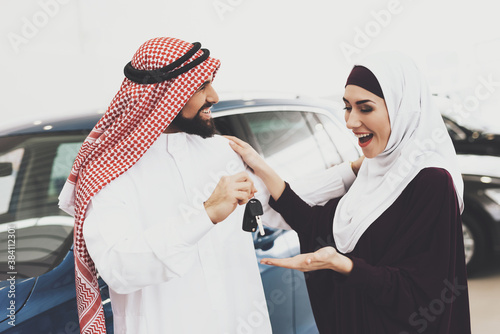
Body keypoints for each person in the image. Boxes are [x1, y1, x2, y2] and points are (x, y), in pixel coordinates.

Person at [58, 37, 363, 334]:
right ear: (165, 94)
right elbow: (120, 268)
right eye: (202, 86)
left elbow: (279, 202)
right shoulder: (110, 172)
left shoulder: (220, 150)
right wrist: (204, 215)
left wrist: (352, 170)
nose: (214, 96)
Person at [227, 52, 471, 333]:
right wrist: (264, 170)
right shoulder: (373, 171)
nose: (351, 121)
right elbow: (315, 224)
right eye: (347, 107)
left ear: (402, 108)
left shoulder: (432, 181)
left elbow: (422, 293)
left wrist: (346, 266)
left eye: (365, 108)